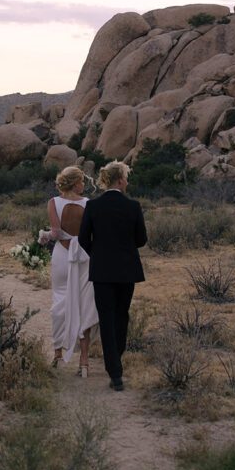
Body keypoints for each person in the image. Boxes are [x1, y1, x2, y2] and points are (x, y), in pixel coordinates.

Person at [77, 160, 147, 392]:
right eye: (126, 178)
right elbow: (141, 240)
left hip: (102, 272)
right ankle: (116, 359)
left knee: (106, 318)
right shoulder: (133, 206)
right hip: (127, 270)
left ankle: (114, 371)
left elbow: (83, 238)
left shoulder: (93, 207)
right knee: (121, 316)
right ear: (120, 180)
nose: (127, 182)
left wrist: (97, 255)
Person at [46, 165, 99, 376]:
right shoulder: (89, 204)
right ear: (76, 182)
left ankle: (58, 354)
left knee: (60, 301)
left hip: (62, 256)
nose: (84, 185)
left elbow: (56, 232)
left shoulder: (53, 203)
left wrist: (45, 236)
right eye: (82, 181)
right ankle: (83, 362)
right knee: (84, 304)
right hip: (84, 257)